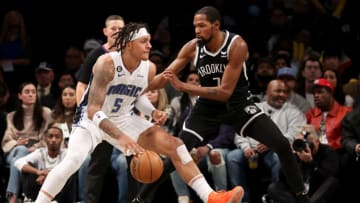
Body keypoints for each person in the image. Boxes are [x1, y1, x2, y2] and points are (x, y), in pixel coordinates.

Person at [34, 22, 243, 203]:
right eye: (144, 41)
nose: (150, 45)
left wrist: (152, 112)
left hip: (124, 118)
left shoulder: (149, 67)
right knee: (74, 160)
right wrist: (121, 137)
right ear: (129, 44)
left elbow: (136, 94)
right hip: (91, 120)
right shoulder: (106, 63)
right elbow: (93, 109)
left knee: (176, 146)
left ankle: (212, 197)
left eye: (150, 40)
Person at [133, 6, 310, 203]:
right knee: (178, 151)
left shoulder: (237, 44)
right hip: (207, 108)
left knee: (282, 144)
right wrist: (135, 88)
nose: (197, 30)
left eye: (202, 25)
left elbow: (225, 92)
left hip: (238, 104)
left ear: (216, 25)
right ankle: (140, 199)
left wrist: (185, 86)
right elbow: (165, 76)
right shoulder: (192, 47)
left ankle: (302, 197)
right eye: (195, 26)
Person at [75, 14, 126, 203]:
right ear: (105, 32)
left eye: (121, 28)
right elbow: (80, 85)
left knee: (133, 160)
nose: (117, 32)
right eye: (113, 28)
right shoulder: (97, 54)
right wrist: (84, 113)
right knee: (96, 166)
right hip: (100, 118)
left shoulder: (130, 54)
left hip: (122, 118)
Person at [2, 81, 52, 203]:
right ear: (20, 96)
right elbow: (7, 140)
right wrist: (16, 143)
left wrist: (36, 146)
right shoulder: (12, 116)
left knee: (17, 161)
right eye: (27, 92)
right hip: (16, 150)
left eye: (33, 92)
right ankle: (23, 195)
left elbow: (49, 134)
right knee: (21, 151)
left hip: (36, 150)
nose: (31, 94)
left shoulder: (45, 112)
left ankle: (12, 197)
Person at [267, 124, 340, 203]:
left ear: (317, 141)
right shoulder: (297, 153)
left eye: (308, 143)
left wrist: (310, 162)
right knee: (274, 187)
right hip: (299, 195)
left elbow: (325, 179)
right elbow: (282, 179)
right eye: (301, 143)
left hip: (316, 193)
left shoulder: (328, 152)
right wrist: (288, 158)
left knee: (332, 181)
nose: (305, 147)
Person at [14, 122, 76, 202]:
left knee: (71, 174)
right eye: (50, 137)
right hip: (39, 189)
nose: (53, 140)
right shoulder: (40, 152)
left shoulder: (66, 153)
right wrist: (38, 172)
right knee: (27, 170)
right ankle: (30, 199)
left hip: (60, 193)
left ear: (62, 140)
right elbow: (18, 162)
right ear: (45, 139)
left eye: (57, 137)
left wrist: (47, 176)